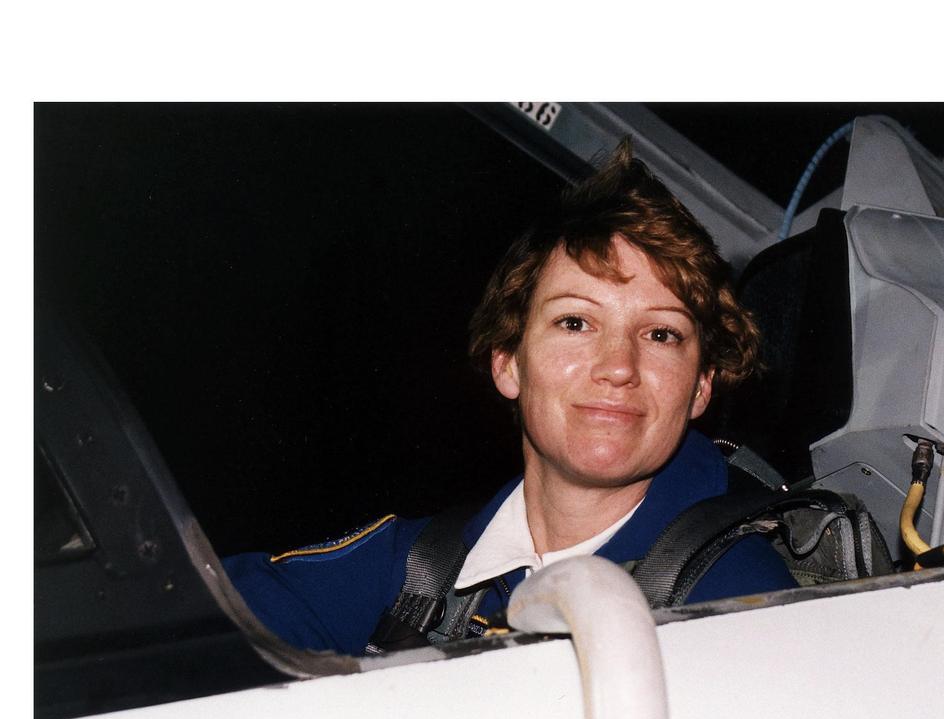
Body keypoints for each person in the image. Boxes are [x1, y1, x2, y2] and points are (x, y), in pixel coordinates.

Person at [223, 141, 795, 656]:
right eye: (576, 323)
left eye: (661, 334)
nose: (619, 367)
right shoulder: (417, 571)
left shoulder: (744, 607)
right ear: (508, 363)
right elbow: (204, 614)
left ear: (700, 386)